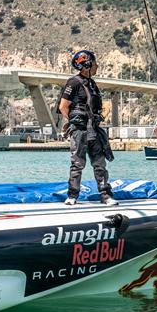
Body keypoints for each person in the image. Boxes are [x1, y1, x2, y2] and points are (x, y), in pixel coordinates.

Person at [58, 50, 117, 206]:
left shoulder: (92, 83)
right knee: (77, 163)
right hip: (80, 130)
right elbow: (63, 106)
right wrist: (73, 121)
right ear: (87, 65)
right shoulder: (74, 82)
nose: (97, 66)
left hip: (94, 130)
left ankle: (106, 196)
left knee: (100, 164)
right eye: (95, 63)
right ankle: (72, 196)